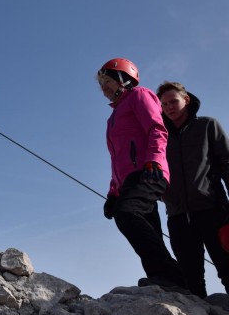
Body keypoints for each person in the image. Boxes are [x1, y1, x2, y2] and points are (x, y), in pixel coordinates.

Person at [97, 58, 186, 290]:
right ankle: (164, 279)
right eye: (101, 84)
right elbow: (118, 158)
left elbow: (157, 129)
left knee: (127, 214)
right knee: (149, 228)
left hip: (148, 171)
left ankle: (172, 273)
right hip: (129, 179)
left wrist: (155, 162)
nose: (103, 88)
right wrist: (113, 192)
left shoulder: (140, 96)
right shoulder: (113, 117)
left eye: (107, 81)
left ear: (122, 79)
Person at [156, 81, 229, 298]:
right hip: (177, 216)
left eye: (173, 101)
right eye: (164, 104)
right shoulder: (160, 136)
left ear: (186, 100)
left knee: (227, 268)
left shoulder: (207, 125)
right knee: (191, 278)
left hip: (213, 210)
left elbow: (226, 162)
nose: (169, 107)